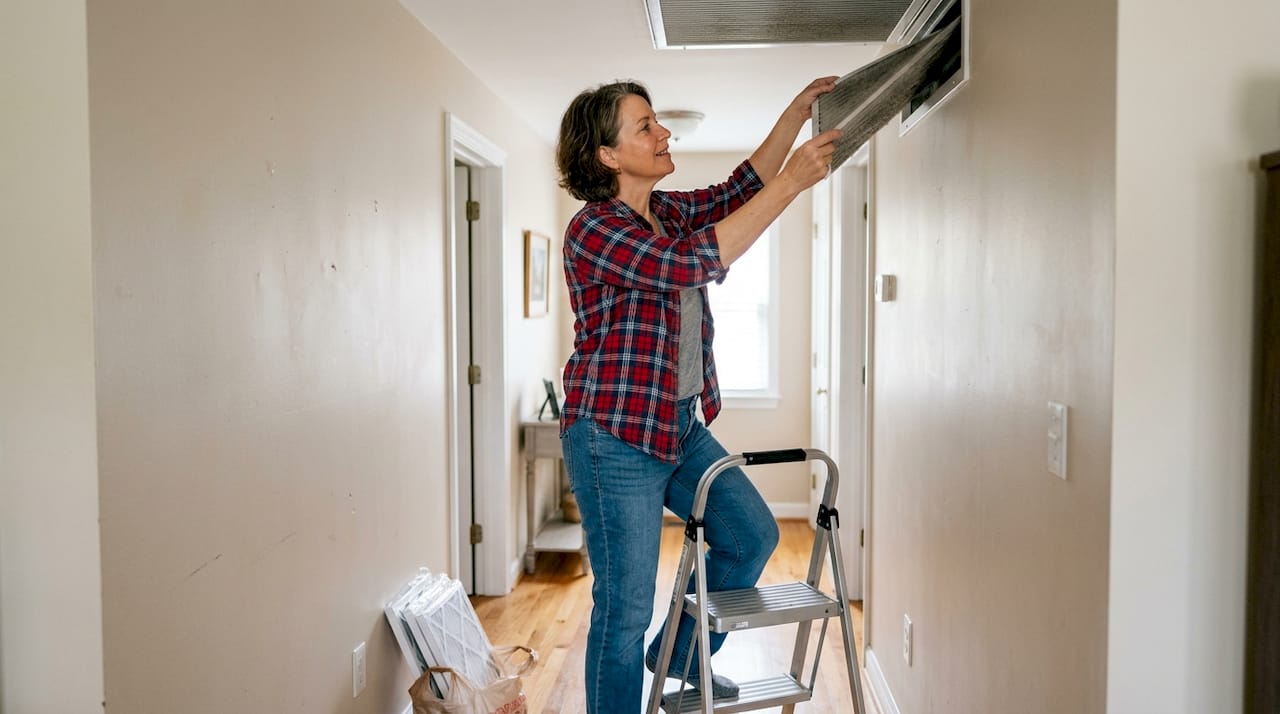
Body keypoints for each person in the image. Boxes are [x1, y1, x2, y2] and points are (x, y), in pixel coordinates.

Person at [555, 77, 841, 714]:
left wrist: (795, 112)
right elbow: (686, 266)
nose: (664, 134)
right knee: (625, 609)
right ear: (607, 154)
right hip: (612, 435)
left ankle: (680, 657)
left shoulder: (670, 211)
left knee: (750, 535)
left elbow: (740, 188)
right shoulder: (594, 230)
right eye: (645, 127)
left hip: (677, 426)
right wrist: (793, 184)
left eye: (658, 123)